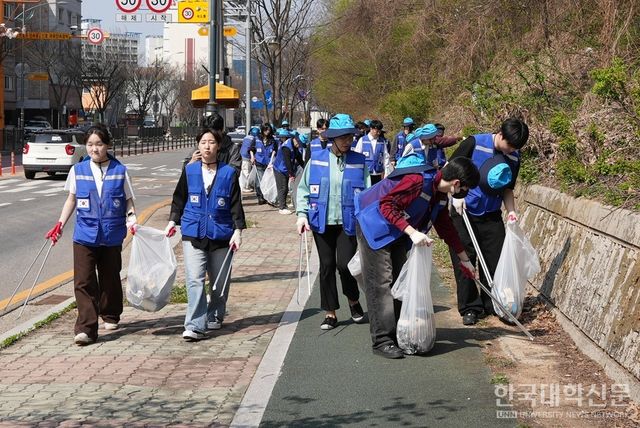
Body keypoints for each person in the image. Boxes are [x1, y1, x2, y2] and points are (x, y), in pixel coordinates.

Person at [355, 154, 480, 359]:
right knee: (381, 282)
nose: (463, 193)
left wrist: (464, 259)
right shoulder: (418, 180)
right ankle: (382, 340)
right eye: (465, 189)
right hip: (374, 224)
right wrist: (412, 232)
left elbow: (446, 228)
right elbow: (386, 205)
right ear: (457, 183)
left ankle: (399, 330)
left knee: (398, 281)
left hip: (397, 230)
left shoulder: (439, 195)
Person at [45, 124, 137, 346]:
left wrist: (132, 219)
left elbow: (128, 200)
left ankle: (111, 313)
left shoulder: (120, 170)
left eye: (99, 144)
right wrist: (60, 224)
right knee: (83, 280)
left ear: (108, 145)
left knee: (110, 276)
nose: (94, 149)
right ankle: (86, 328)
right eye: (90, 144)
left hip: (112, 233)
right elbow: (72, 199)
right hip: (85, 234)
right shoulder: (78, 170)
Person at [448, 117, 529, 326]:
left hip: (491, 214)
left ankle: (492, 302)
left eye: (515, 148)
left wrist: (511, 212)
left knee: (494, 259)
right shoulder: (474, 143)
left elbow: (508, 189)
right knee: (465, 259)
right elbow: (449, 169)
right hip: (464, 211)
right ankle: (470, 307)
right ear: (500, 134)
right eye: (509, 145)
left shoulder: (513, 157)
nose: (511, 150)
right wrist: (456, 196)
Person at [167, 128, 246, 341]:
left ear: (218, 146)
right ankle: (195, 325)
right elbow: (179, 198)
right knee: (195, 280)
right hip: (193, 232)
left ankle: (216, 313)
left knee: (219, 283)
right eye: (203, 142)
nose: (207, 146)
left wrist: (238, 231)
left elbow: (235, 204)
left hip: (221, 233)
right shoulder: (190, 170)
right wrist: (172, 221)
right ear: (198, 145)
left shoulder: (228, 173)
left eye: (211, 142)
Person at [296, 113, 371, 330]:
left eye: (350, 136)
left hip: (348, 222)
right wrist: (301, 215)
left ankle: (353, 300)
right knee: (327, 266)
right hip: (321, 222)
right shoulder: (316, 159)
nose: (348, 141)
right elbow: (303, 189)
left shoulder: (359, 161)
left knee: (345, 265)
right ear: (332, 138)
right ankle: (330, 312)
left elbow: (367, 193)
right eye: (343, 137)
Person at [273, 128, 303, 214]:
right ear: (294, 139)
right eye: (298, 143)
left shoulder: (294, 146)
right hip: (279, 169)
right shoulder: (286, 147)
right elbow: (287, 162)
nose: (299, 145)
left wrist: (305, 168)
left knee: (285, 187)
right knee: (283, 188)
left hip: (285, 169)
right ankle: (282, 207)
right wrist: (291, 174)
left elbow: (299, 159)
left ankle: (284, 205)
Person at [250, 123, 278, 205]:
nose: (267, 132)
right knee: (259, 182)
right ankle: (260, 197)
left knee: (268, 182)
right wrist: (252, 157)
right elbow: (251, 149)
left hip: (269, 164)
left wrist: (272, 160)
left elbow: (275, 150)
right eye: (266, 130)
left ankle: (268, 197)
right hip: (259, 163)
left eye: (269, 130)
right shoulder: (256, 139)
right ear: (262, 130)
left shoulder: (272, 140)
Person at [353, 119, 388, 185]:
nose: (378, 133)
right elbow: (357, 155)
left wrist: (386, 173)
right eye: (377, 130)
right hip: (366, 173)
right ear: (371, 129)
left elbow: (385, 157)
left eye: (379, 131)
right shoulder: (362, 140)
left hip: (378, 173)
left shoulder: (382, 142)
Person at [240, 126, 260, 192]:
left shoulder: (246, 137)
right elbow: (251, 148)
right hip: (246, 156)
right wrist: (253, 157)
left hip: (242, 155)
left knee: (245, 171)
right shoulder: (254, 138)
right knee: (246, 172)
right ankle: (246, 187)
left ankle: (246, 186)